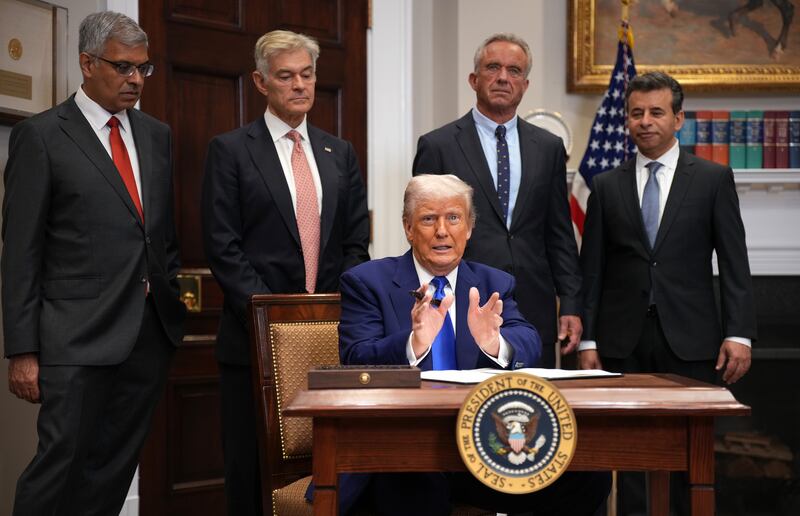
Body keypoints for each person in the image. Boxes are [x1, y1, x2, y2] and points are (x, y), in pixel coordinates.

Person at [335, 174, 609, 516]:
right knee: (416, 479)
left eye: (453, 218)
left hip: (482, 447)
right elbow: (355, 357)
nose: (442, 231)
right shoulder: (368, 282)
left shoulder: (493, 282)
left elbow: (528, 341)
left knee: (589, 474)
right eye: (428, 219)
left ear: (468, 228)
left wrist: (495, 342)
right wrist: (413, 343)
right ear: (408, 228)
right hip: (403, 448)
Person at [2, 11, 186, 515]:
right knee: (58, 470)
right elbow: (21, 251)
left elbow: (161, 234)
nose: (135, 80)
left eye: (144, 69)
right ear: (86, 63)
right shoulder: (41, 136)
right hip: (74, 341)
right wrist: (22, 350)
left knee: (113, 469)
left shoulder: (156, 135)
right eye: (123, 67)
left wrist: (166, 293)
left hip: (147, 336)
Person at [201, 29, 370, 516]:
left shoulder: (340, 152)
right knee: (251, 473)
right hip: (251, 345)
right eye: (286, 76)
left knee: (327, 469)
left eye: (307, 74)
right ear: (260, 82)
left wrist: (339, 310)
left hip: (330, 341)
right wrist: (273, 319)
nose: (300, 85)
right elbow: (224, 247)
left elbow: (356, 243)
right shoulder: (231, 150)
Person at [578, 71, 757, 515]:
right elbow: (592, 270)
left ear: (678, 119)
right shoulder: (605, 185)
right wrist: (588, 340)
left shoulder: (713, 179)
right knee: (628, 456)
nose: (645, 121)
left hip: (693, 341)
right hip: (622, 342)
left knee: (687, 457)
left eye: (656, 112)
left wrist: (740, 333)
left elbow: (734, 263)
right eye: (636, 113)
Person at [413, 33, 582, 368]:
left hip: (534, 306)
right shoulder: (439, 145)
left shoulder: (549, 148)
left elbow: (559, 233)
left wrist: (572, 304)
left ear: (525, 83)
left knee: (534, 409)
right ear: (474, 80)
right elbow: (423, 233)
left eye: (514, 70)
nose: (504, 77)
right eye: (493, 67)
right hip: (462, 302)